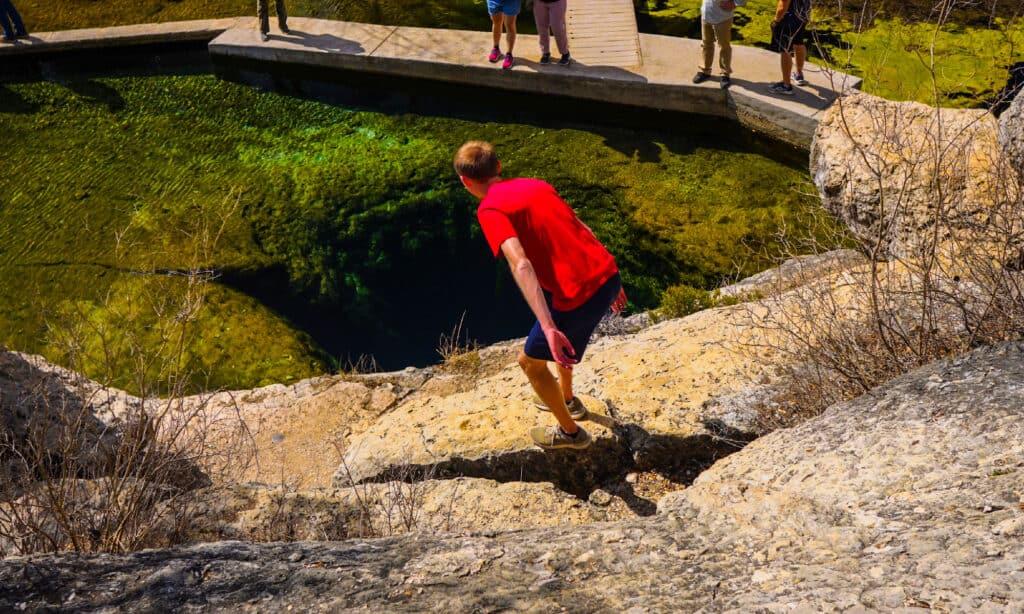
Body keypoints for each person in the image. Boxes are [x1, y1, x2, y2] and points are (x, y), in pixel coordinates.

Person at [453, 141, 628, 451]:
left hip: (578, 295)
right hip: (607, 274)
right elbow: (579, 226)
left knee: (531, 363)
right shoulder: (536, 185)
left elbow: (520, 262)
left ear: (466, 182)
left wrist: (548, 327)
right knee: (564, 344)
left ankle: (571, 435)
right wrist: (610, 276)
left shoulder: (490, 209)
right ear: (499, 166)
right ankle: (568, 399)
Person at [693, 0, 746, 89]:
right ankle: (705, 70)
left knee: (724, 46)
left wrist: (735, 3)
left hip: (723, 17)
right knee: (706, 43)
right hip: (706, 13)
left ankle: (725, 74)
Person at [767, 0, 810, 96]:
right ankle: (798, 75)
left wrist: (776, 20)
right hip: (802, 15)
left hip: (788, 19)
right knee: (799, 43)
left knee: (785, 50)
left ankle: (786, 86)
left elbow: (783, 4)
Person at [534, 0, 571, 67]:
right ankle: (545, 52)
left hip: (558, 2)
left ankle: (565, 53)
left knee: (558, 28)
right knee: (542, 28)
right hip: (539, 2)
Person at [487, 0, 520, 69]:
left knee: (509, 25)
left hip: (511, 2)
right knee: (496, 22)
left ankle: (509, 54)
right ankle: (496, 48)